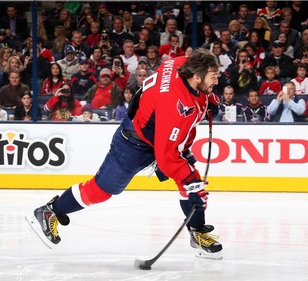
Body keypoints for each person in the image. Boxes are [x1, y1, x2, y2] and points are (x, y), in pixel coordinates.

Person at [26, 48, 223, 260]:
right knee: (102, 190)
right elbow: (166, 158)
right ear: (196, 76)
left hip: (153, 130)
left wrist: (207, 95)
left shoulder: (182, 64)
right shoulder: (176, 105)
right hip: (133, 144)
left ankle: (197, 231)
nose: (217, 82)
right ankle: (50, 211)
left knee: (189, 182)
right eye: (213, 78)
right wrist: (189, 179)